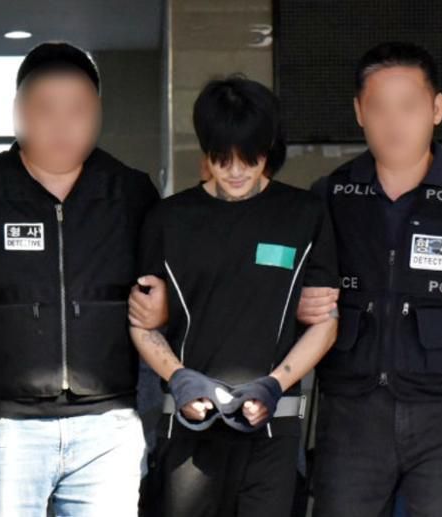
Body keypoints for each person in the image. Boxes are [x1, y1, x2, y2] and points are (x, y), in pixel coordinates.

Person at [0, 42, 166, 516]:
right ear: (18, 112)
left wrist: (162, 307)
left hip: (107, 429)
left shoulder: (130, 193)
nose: (62, 125)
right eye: (45, 109)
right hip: (3, 430)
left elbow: (168, 288)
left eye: (78, 110)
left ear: (99, 112)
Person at [298, 41, 442, 516]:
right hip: (351, 417)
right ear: (359, 112)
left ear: (437, 109)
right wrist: (303, 306)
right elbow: (293, 293)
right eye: (379, 108)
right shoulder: (332, 196)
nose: (394, 123)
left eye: (409, 107)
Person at [130, 76, 339, 517]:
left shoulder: (304, 215)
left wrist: (275, 383)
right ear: (206, 151)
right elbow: (142, 323)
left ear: (268, 149)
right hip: (188, 424)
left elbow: (325, 322)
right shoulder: (169, 220)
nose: (237, 171)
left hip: (273, 425)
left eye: (250, 157)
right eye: (223, 159)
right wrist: (179, 378)